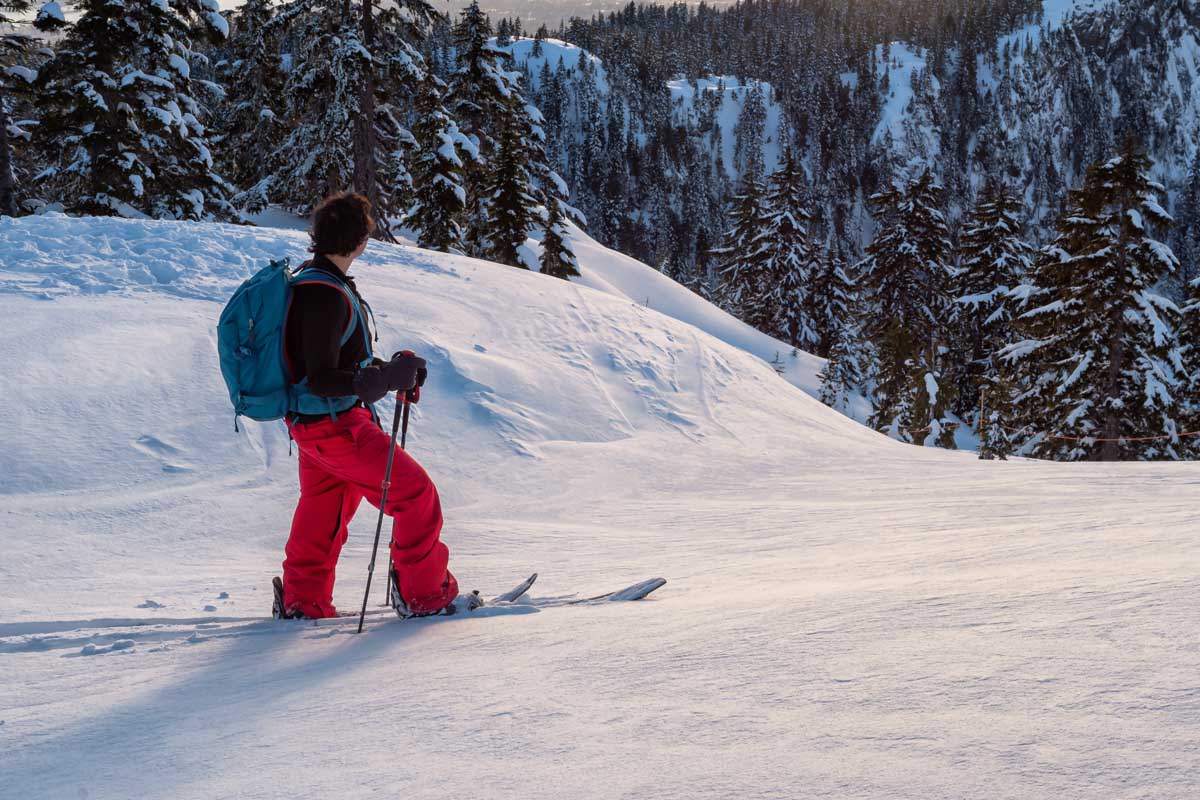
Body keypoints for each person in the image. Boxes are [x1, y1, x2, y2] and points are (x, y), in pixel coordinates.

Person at [279, 191, 458, 619]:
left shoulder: (315, 283)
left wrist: (390, 371)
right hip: (337, 426)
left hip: (313, 426)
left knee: (323, 511)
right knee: (415, 495)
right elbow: (322, 378)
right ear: (360, 241)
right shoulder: (324, 294)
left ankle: (304, 602)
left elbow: (334, 364)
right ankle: (424, 595)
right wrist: (380, 379)